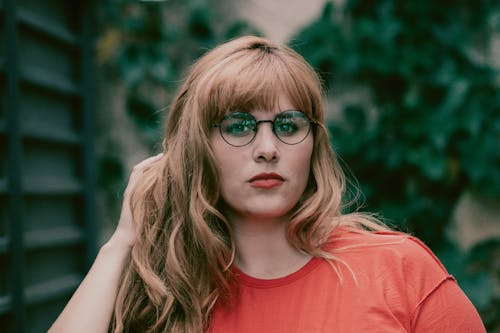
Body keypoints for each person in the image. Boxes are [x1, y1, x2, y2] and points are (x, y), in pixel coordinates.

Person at [49, 35, 485, 333]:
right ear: (196, 147)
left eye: (288, 125)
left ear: (313, 143)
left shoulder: (398, 269)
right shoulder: (165, 293)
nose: (267, 148)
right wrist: (121, 243)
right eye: (238, 126)